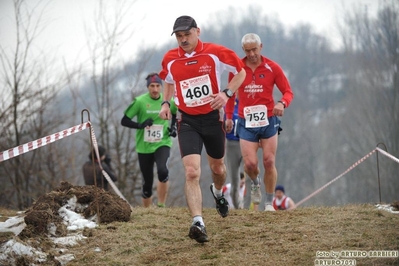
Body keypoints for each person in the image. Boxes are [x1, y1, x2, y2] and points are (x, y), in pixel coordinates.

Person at [158, 15, 246, 243]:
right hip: (187, 121)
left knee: (218, 169)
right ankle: (198, 221)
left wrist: (226, 93)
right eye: (179, 36)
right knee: (192, 171)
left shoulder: (215, 52)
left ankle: (217, 192)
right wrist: (166, 103)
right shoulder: (169, 58)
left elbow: (242, 72)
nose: (183, 39)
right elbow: (168, 80)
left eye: (187, 34)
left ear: (198, 31)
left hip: (212, 119)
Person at [225, 33, 294, 212]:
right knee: (250, 165)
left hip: (268, 120)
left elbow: (288, 92)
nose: (252, 54)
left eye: (254, 49)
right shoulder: (237, 69)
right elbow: (230, 94)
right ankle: (255, 182)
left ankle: (269, 203)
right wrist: (228, 117)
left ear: (261, 46)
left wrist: (282, 103)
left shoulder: (273, 67)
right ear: (243, 50)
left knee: (269, 161)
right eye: (247, 51)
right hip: (246, 122)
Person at [121, 73, 177, 208]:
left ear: (162, 86)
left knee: (163, 171)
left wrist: (173, 127)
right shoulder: (140, 102)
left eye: (158, 86)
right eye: (152, 86)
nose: (155, 89)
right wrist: (140, 125)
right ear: (148, 87)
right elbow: (124, 121)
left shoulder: (167, 100)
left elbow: (174, 113)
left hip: (162, 142)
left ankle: (161, 206)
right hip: (144, 146)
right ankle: (147, 211)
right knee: (147, 182)